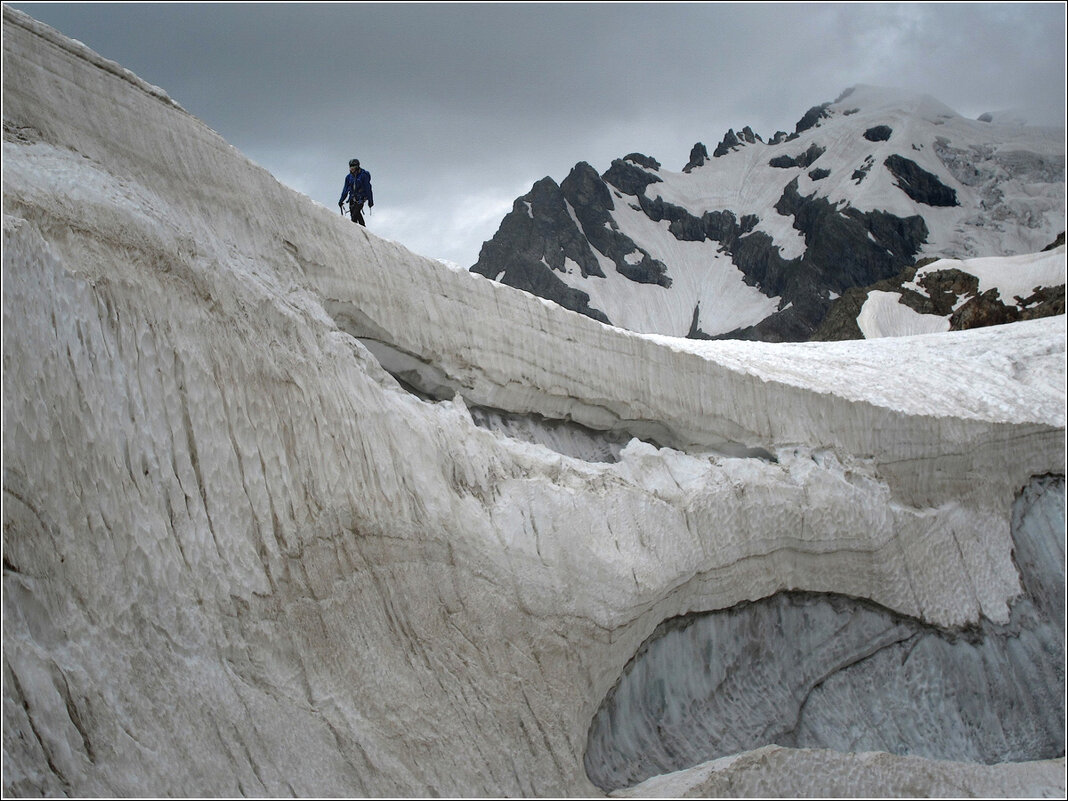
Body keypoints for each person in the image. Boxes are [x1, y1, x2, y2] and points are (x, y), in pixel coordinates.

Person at [339, 158, 374, 226]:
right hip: (352, 198)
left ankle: (363, 229)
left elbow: (368, 188)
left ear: (357, 166)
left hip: (361, 198)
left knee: (355, 215)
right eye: (351, 166)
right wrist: (341, 200)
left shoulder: (363, 175)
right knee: (354, 216)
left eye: (353, 166)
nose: (352, 168)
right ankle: (361, 228)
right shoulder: (348, 177)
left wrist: (370, 200)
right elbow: (345, 190)